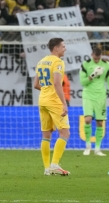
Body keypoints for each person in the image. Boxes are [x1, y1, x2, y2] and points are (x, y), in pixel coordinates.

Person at [33, 38, 70, 176]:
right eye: (63, 46)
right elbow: (56, 83)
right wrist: (64, 103)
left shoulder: (41, 61)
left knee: (46, 135)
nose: (65, 49)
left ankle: (47, 168)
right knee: (65, 133)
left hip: (42, 100)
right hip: (54, 101)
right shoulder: (58, 62)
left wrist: (46, 91)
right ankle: (54, 165)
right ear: (56, 48)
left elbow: (36, 84)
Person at [80, 47, 109, 156]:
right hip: (88, 95)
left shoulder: (106, 65)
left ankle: (97, 149)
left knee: (100, 122)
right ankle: (87, 147)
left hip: (101, 96)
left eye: (98, 58)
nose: (96, 60)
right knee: (87, 119)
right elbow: (83, 82)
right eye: (95, 58)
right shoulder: (85, 64)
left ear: (101, 56)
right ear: (92, 55)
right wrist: (93, 75)